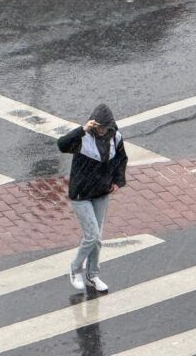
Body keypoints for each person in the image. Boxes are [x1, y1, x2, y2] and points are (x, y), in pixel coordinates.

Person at [57, 103, 128, 292]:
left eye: (104, 127)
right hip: (81, 194)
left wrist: (117, 181)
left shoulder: (116, 138)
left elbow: (121, 159)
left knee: (97, 238)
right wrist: (82, 129)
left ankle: (93, 274)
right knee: (92, 235)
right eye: (97, 127)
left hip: (101, 192)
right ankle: (75, 269)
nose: (101, 131)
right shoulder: (82, 138)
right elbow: (62, 144)